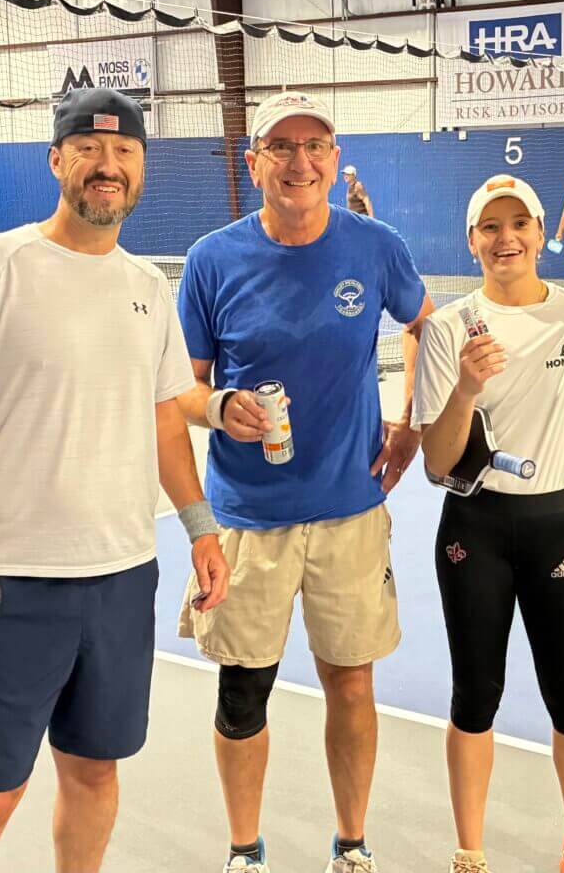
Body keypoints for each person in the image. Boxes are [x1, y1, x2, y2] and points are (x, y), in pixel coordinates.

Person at [0, 87, 229, 873]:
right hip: (2, 587)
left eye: (124, 152)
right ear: (57, 160)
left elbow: (164, 419)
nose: (107, 165)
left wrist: (200, 528)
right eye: (89, 148)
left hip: (121, 579)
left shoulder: (148, 287)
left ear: (142, 168)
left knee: (93, 772)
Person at [175, 91, 433, 873]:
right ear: (254, 164)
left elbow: (427, 326)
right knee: (242, 693)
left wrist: (411, 421)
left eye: (314, 146)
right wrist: (218, 407)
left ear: (334, 157)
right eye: (280, 147)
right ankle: (245, 852)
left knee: (350, 684)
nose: (300, 162)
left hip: (350, 511)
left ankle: (351, 845)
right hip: (247, 520)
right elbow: (180, 389)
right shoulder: (211, 260)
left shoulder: (376, 247)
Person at [412, 174, 564, 873]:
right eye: (491, 226)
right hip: (473, 529)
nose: (505, 238)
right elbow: (437, 463)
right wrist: (467, 387)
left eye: (519, 224)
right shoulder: (448, 329)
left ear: (543, 234)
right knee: (474, 694)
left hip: (560, 524)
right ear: (472, 240)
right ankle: (470, 853)